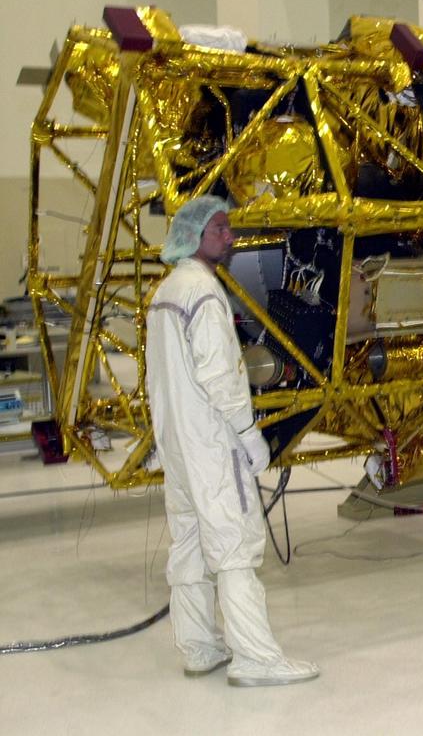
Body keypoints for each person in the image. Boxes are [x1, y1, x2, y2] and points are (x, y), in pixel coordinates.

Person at [146, 195, 319, 687]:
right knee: (235, 547)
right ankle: (256, 659)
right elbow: (221, 374)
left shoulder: (165, 293)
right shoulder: (202, 292)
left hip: (179, 449)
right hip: (211, 447)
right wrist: (247, 435)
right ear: (194, 236)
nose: (230, 235)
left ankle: (198, 646)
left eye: (228, 227)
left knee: (190, 546)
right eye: (219, 228)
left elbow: (160, 379)